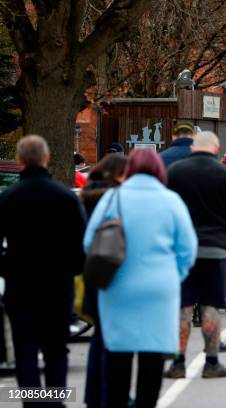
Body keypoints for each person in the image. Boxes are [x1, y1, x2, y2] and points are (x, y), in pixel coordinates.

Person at [83, 149, 197, 408]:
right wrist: (173, 274)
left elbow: (90, 241)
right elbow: (188, 249)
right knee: (152, 355)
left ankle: (117, 402)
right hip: (159, 288)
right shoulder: (171, 201)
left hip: (117, 286)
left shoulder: (112, 199)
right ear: (159, 169)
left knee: (117, 353)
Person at [0, 135, 86, 406]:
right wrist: (71, 270)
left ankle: (33, 403)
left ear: (20, 160)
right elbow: (80, 246)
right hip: (57, 284)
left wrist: (6, 267)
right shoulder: (65, 198)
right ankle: (54, 401)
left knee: (25, 350)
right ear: (47, 159)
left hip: (20, 283)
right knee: (56, 350)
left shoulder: (8, 199)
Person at [165, 131, 226, 379]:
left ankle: (178, 363)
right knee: (211, 305)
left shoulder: (176, 172)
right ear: (215, 148)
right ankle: (211, 362)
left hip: (182, 250)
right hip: (215, 247)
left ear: (193, 148)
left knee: (183, 306)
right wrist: (223, 218)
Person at [79, 154, 127, 408]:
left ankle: (92, 395)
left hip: (93, 271)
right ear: (119, 174)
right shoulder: (118, 199)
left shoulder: (85, 195)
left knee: (100, 336)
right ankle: (113, 394)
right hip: (114, 271)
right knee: (116, 339)